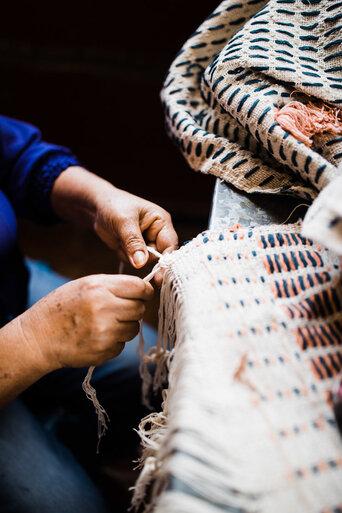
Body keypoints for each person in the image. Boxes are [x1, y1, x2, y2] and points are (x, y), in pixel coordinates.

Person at [0, 115, 178, 512]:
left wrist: (101, 201)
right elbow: (34, 337)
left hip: (9, 288)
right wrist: (35, 340)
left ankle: (64, 434)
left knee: (153, 379)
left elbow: (15, 157)